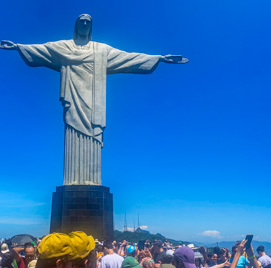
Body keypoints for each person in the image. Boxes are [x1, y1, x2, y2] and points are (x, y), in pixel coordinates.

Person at [0, 14, 188, 186]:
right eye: (81, 20)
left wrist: (160, 58)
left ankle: (92, 180)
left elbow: (129, 57)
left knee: (92, 133)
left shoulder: (101, 50)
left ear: (91, 27)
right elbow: (42, 50)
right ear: (76, 25)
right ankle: (71, 180)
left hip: (93, 99)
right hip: (73, 97)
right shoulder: (63, 47)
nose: (84, 23)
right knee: (73, 131)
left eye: (88, 22)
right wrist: (17, 47)